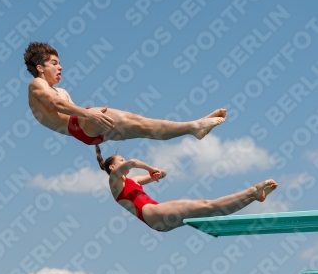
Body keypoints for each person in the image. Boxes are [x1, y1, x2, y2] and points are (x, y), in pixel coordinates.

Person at [25, 42, 226, 146]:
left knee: (144, 128)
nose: (60, 67)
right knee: (140, 122)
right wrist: (89, 114)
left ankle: (193, 128)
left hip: (88, 132)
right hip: (81, 123)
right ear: (40, 68)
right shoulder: (36, 84)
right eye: (54, 63)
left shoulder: (61, 90)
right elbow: (56, 105)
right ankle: (194, 127)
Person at [96, 147, 278, 232]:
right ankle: (252, 191)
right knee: (207, 205)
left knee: (209, 212)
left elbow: (164, 174)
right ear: (112, 167)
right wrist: (150, 169)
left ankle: (254, 197)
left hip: (157, 219)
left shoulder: (133, 180)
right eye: (120, 160)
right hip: (153, 213)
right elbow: (133, 162)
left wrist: (157, 173)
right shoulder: (114, 181)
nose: (123, 161)